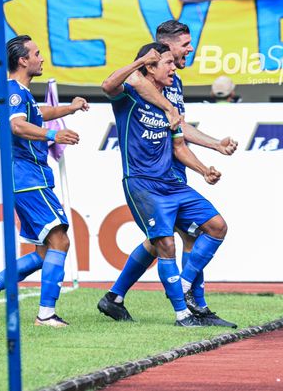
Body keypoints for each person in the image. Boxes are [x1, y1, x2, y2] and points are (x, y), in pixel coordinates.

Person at [98, 21, 238, 328]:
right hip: (151, 176)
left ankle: (115, 296)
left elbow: (178, 128)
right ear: (166, 46)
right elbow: (124, 84)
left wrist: (214, 147)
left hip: (172, 169)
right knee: (179, 239)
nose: (190, 49)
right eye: (185, 44)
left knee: (163, 240)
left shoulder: (174, 82)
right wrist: (167, 108)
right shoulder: (139, 77)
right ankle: (192, 306)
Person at [0, 35, 88, 328]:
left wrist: (69, 108)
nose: (41, 58)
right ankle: (45, 315)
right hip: (27, 177)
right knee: (59, 240)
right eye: (37, 53)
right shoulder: (12, 91)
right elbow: (17, 125)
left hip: (27, 178)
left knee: (45, 251)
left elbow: (37, 114)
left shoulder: (19, 92)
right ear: (23, 60)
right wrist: (52, 135)